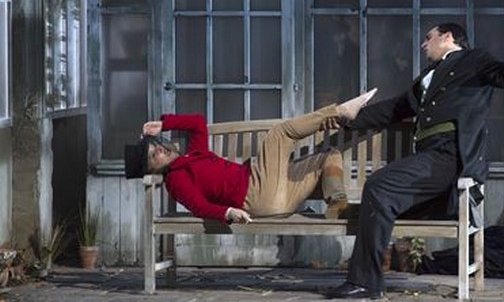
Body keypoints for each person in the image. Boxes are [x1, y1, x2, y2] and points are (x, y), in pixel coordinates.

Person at [324, 21, 504, 300]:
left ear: (448, 37)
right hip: (428, 158)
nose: (423, 44)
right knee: (378, 195)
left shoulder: (475, 59)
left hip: (450, 155)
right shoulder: (428, 77)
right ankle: (366, 282)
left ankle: (366, 284)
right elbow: (395, 108)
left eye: (429, 38)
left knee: (379, 186)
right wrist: (346, 120)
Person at [124, 88, 377, 224]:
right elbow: (199, 206)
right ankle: (340, 113)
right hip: (254, 193)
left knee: (328, 156)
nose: (159, 150)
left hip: (278, 199)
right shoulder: (176, 180)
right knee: (280, 133)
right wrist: (227, 213)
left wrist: (163, 124)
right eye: (153, 156)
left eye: (156, 146)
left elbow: (198, 123)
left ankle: (338, 205)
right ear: (154, 170)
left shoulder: (193, 154)